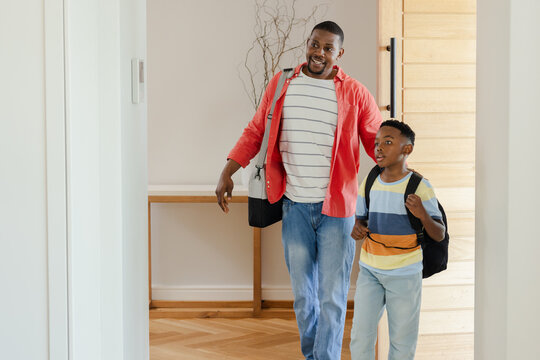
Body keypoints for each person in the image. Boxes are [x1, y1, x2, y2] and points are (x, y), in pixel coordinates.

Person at [216, 21, 382, 360]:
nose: (318, 53)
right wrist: (228, 170)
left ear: (340, 53)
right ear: (307, 44)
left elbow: (378, 146)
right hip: (294, 208)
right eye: (314, 44)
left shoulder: (355, 93)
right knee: (305, 299)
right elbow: (255, 130)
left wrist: (402, 174)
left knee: (332, 299)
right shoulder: (281, 85)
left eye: (327, 48)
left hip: (339, 212)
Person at [349, 120, 446, 360]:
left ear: (407, 149)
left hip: (405, 273)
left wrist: (422, 214)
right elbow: (359, 220)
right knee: (361, 336)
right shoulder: (369, 182)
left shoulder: (420, 187)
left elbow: (439, 233)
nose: (379, 148)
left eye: (388, 142)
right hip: (370, 270)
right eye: (377, 143)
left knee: (402, 341)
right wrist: (357, 227)